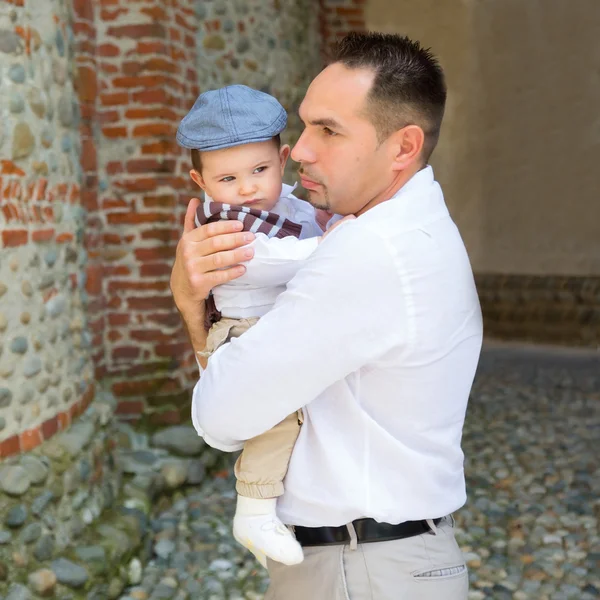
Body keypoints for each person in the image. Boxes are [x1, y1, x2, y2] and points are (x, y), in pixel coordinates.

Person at [170, 31, 483, 600]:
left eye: (330, 131)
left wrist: (192, 306)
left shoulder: (367, 253)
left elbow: (222, 417)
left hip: (359, 570)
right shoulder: (409, 228)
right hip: (377, 561)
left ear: (403, 147)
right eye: (307, 123)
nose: (303, 150)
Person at [176, 85, 327, 567]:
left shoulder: (286, 205)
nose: (247, 188)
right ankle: (255, 506)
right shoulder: (225, 221)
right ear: (199, 180)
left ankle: (281, 511)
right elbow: (266, 259)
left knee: (301, 417)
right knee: (277, 413)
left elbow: (309, 221)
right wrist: (335, 246)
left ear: (283, 160)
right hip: (242, 327)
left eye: (260, 170)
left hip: (272, 322)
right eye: (227, 178)